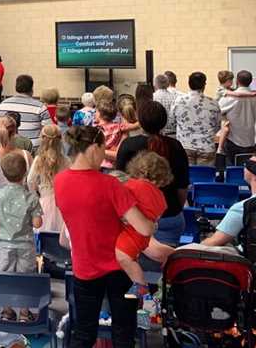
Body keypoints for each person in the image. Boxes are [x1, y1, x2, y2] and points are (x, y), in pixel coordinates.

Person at [55, 126, 154, 348]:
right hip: (120, 268)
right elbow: (144, 228)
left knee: (83, 333)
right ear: (93, 148)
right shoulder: (110, 185)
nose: (106, 153)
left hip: (84, 267)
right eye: (103, 148)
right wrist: (153, 222)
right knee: (124, 332)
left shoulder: (59, 181)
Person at [115, 101, 190, 245]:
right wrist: (176, 209)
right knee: (164, 263)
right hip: (170, 214)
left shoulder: (128, 145)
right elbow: (182, 186)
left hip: (136, 216)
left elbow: (119, 183)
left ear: (140, 120)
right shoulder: (175, 146)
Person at [0, 153, 43, 321]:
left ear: (3, 174)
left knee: (6, 277)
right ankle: (24, 313)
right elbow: (37, 224)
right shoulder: (31, 197)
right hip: (26, 246)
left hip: (5, 245)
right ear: (25, 172)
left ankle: (6, 311)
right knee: (25, 279)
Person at [114, 151, 175, 295]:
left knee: (124, 258)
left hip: (132, 233)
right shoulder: (160, 196)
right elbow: (157, 215)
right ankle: (140, 291)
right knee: (129, 258)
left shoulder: (133, 186)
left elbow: (120, 199)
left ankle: (142, 289)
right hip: (143, 238)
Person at [202, 153, 256, 247]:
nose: (244, 168)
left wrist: (203, 241)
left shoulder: (243, 207)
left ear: (255, 174)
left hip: (254, 259)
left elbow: (213, 243)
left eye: (246, 165)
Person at [172, 72, 221, 166]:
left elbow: (172, 122)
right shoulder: (213, 103)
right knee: (205, 178)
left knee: (185, 177)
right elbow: (217, 126)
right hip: (206, 147)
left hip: (184, 146)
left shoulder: (179, 101)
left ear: (189, 84)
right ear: (204, 85)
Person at [27, 124, 68, 232]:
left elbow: (30, 181)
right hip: (62, 204)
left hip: (44, 202)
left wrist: (36, 194)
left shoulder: (39, 160)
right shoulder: (66, 160)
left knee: (43, 235)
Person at [219, 70, 256, 165]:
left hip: (233, 139)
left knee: (232, 170)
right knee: (247, 169)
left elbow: (218, 110)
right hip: (250, 139)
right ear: (250, 82)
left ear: (237, 81)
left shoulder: (229, 97)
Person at [0, 74, 51, 151]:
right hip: (32, 150)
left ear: (16, 87)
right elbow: (48, 132)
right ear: (31, 88)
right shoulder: (40, 107)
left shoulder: (2, 105)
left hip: (5, 148)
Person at [95, 101, 124, 170]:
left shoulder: (96, 130)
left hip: (99, 164)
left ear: (99, 114)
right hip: (114, 165)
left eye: (96, 112)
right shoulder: (120, 128)